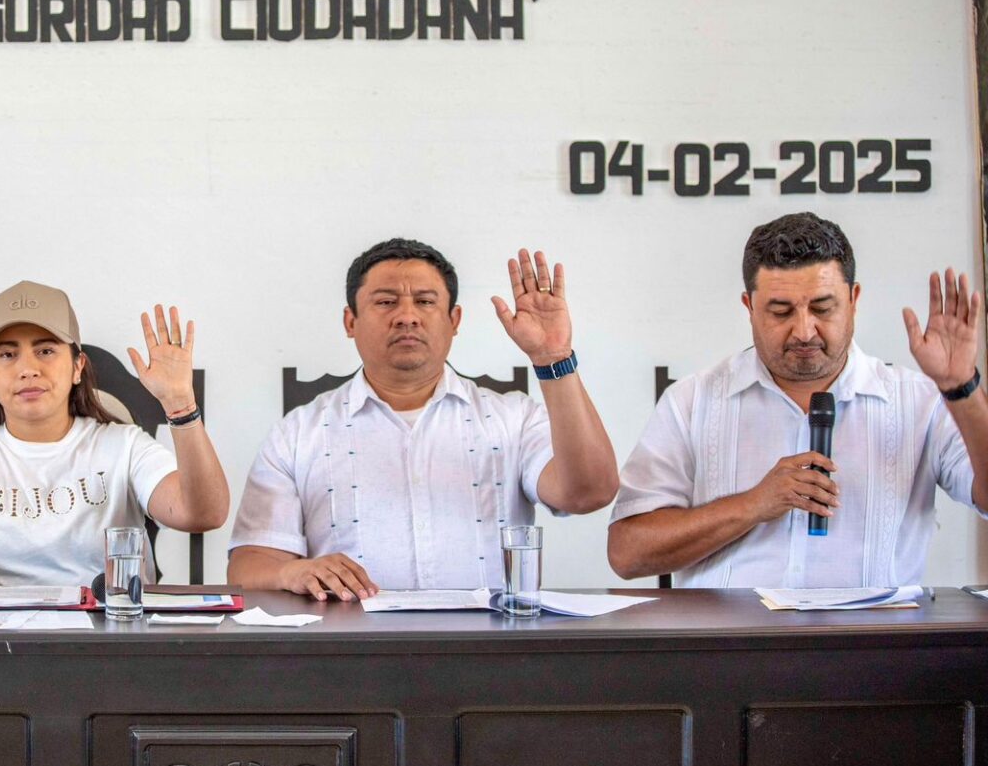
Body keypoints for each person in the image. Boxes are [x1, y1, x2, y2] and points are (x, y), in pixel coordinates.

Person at [608, 212, 988, 587]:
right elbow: (627, 553)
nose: (804, 331)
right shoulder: (692, 401)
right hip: (730, 644)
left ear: (854, 299)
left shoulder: (917, 401)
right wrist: (753, 505)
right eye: (781, 311)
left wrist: (961, 388)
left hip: (873, 644)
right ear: (749, 307)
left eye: (823, 308)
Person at [227, 238, 619, 601]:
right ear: (350, 321)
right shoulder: (298, 433)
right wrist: (293, 572)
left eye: (426, 302)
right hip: (348, 656)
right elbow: (249, 564)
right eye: (385, 302)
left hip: (492, 653)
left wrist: (553, 359)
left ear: (455, 320)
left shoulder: (513, 418)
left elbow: (588, 493)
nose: (407, 317)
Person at [0, 280, 230, 604]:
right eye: (8, 355)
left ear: (77, 367)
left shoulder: (124, 446)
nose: (28, 368)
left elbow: (203, 513)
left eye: (46, 350)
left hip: (107, 639)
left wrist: (180, 404)